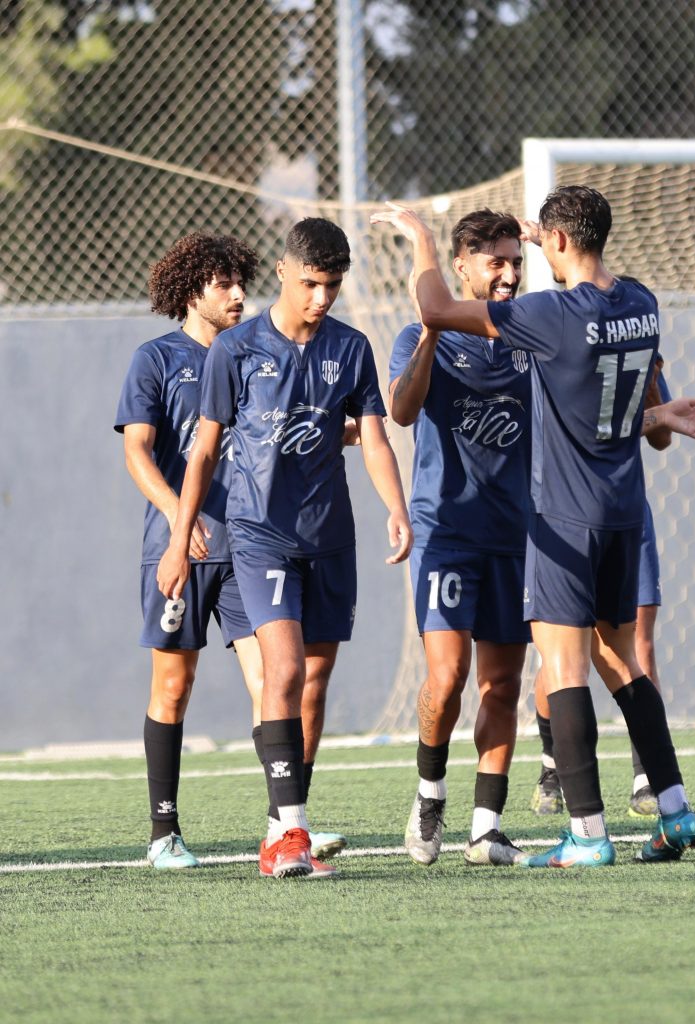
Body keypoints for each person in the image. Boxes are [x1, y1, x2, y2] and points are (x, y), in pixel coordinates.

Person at [372, 186, 695, 867]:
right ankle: (675, 811)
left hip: (563, 516)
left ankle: (585, 834)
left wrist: (421, 238)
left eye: (527, 252)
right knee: (621, 661)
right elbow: (598, 403)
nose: (515, 270)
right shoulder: (641, 302)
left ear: (555, 242)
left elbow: (435, 307)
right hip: (622, 512)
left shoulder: (548, 318)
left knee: (563, 668)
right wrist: (658, 416)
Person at [157, 217, 413, 879]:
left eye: (332, 285)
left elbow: (374, 437)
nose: (321, 297)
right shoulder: (235, 350)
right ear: (282, 271)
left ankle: (281, 829)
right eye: (310, 283)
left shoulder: (350, 348)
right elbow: (204, 451)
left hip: (330, 539)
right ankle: (294, 832)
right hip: (259, 536)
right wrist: (179, 538)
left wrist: (396, 507)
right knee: (285, 671)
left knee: (314, 684)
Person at [115, 232, 263, 869]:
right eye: (223, 283)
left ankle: (286, 825)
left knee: (273, 681)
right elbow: (136, 451)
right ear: (191, 290)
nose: (238, 294)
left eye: (241, 282)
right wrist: (181, 518)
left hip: (252, 549)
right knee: (174, 686)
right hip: (178, 551)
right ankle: (164, 834)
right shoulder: (155, 359)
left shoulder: (257, 355)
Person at [389, 209, 530, 867]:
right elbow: (401, 410)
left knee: (502, 685)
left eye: (515, 262)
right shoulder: (422, 334)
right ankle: (429, 793)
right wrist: (430, 331)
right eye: (495, 262)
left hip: (513, 540)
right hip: (446, 535)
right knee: (446, 678)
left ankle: (485, 827)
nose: (508, 275)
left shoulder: (530, 337)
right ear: (462, 267)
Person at [530, 354, 674, 819]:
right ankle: (552, 766)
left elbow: (662, 437)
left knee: (636, 648)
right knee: (561, 656)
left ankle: (646, 777)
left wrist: (652, 381)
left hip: (626, 515)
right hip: (564, 519)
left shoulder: (635, 344)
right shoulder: (558, 343)